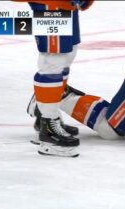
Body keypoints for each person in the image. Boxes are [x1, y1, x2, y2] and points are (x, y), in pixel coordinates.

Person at [12, 0, 94, 157]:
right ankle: (48, 129)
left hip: (66, 4)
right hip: (50, 3)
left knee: (67, 55)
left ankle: (45, 116)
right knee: (54, 61)